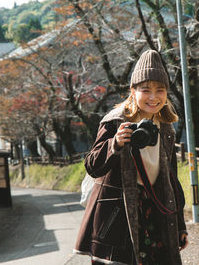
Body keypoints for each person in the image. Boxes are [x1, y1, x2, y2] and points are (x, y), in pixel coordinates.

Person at [74, 49, 188, 265]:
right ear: (133, 91)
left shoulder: (165, 129)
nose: (153, 97)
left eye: (160, 90)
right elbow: (92, 166)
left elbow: (172, 181)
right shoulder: (115, 121)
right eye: (146, 90)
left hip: (155, 212)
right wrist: (115, 143)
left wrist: (179, 225)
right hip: (118, 216)